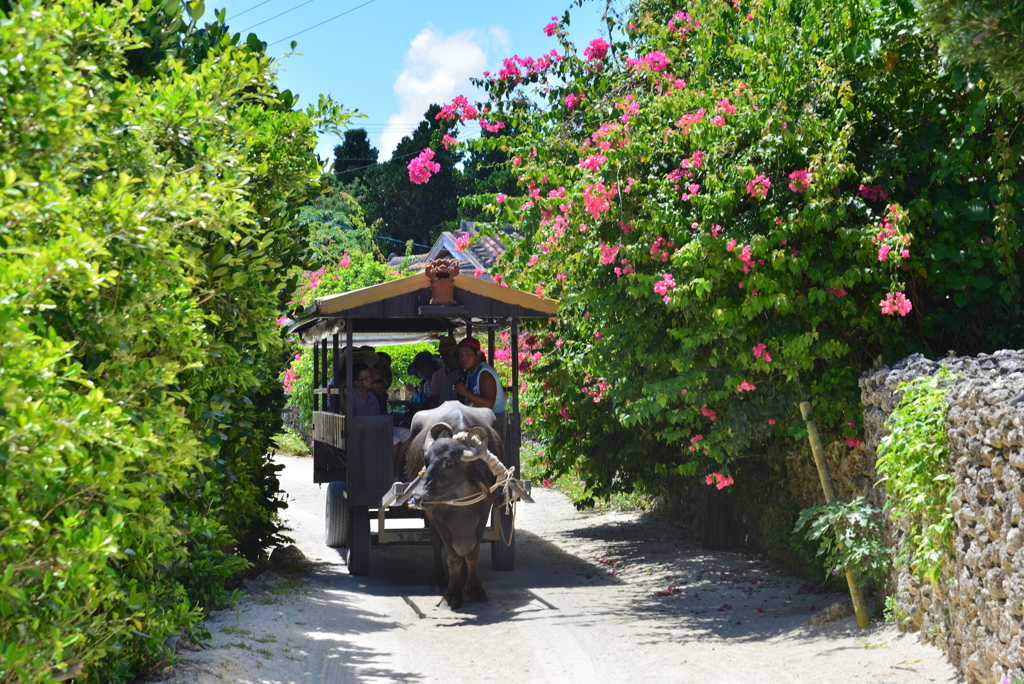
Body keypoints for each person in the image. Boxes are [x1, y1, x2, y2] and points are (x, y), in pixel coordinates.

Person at [454, 337, 505, 413]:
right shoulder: (472, 371)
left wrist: (465, 392)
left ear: (478, 354)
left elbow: (489, 404)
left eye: (467, 354)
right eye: (460, 355)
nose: (463, 358)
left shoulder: (484, 374)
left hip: (495, 420)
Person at [429, 336, 461, 407]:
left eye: (448, 354)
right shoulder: (438, 376)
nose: (446, 358)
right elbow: (435, 403)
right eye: (443, 356)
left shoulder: (467, 371)